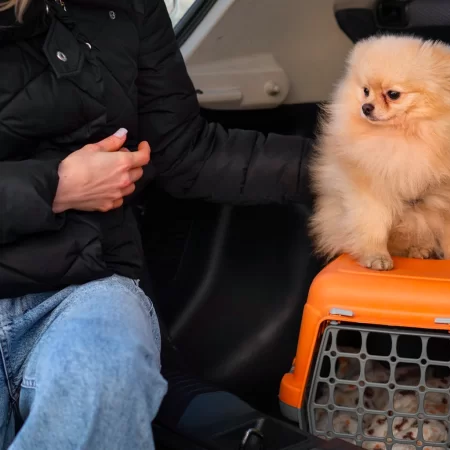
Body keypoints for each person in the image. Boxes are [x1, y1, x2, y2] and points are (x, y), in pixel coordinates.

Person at [0, 0, 312, 448]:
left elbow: (185, 151)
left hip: (85, 286)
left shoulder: (129, 6)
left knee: (108, 366)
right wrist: (56, 187)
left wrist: (346, 169)